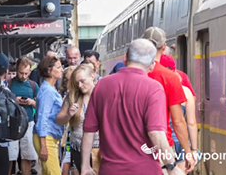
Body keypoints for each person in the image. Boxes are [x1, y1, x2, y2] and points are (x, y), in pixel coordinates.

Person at [81, 39, 183, 175]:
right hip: (145, 170)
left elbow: (88, 131)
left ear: (125, 58)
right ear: (152, 65)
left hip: (110, 170)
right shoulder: (153, 88)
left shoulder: (101, 85)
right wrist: (172, 167)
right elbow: (156, 133)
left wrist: (85, 166)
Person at [143, 27, 195, 174]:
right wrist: (188, 152)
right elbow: (178, 122)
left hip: (130, 147)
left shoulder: (130, 75)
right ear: (164, 46)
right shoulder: (170, 78)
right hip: (161, 146)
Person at [56, 64, 101, 174]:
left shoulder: (103, 94)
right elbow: (58, 120)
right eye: (77, 83)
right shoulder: (73, 96)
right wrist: (68, 115)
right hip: (79, 149)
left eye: (82, 81)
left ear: (92, 76)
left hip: (100, 148)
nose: (80, 85)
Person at [160, 54, 198, 174]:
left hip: (161, 141)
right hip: (180, 142)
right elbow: (191, 123)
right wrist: (193, 150)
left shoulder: (154, 89)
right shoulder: (186, 92)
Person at [33, 56, 64, 175]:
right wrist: (43, 145)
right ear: (49, 71)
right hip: (46, 138)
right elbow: (42, 118)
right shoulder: (48, 92)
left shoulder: (49, 89)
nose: (61, 70)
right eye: (59, 67)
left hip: (49, 138)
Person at [8, 57, 38, 175]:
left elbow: (39, 106)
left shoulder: (33, 85)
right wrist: (14, 100)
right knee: (11, 154)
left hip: (28, 122)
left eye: (26, 73)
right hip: (12, 122)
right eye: (21, 73)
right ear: (17, 70)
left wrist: (31, 102)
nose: (23, 76)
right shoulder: (9, 83)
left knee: (28, 153)